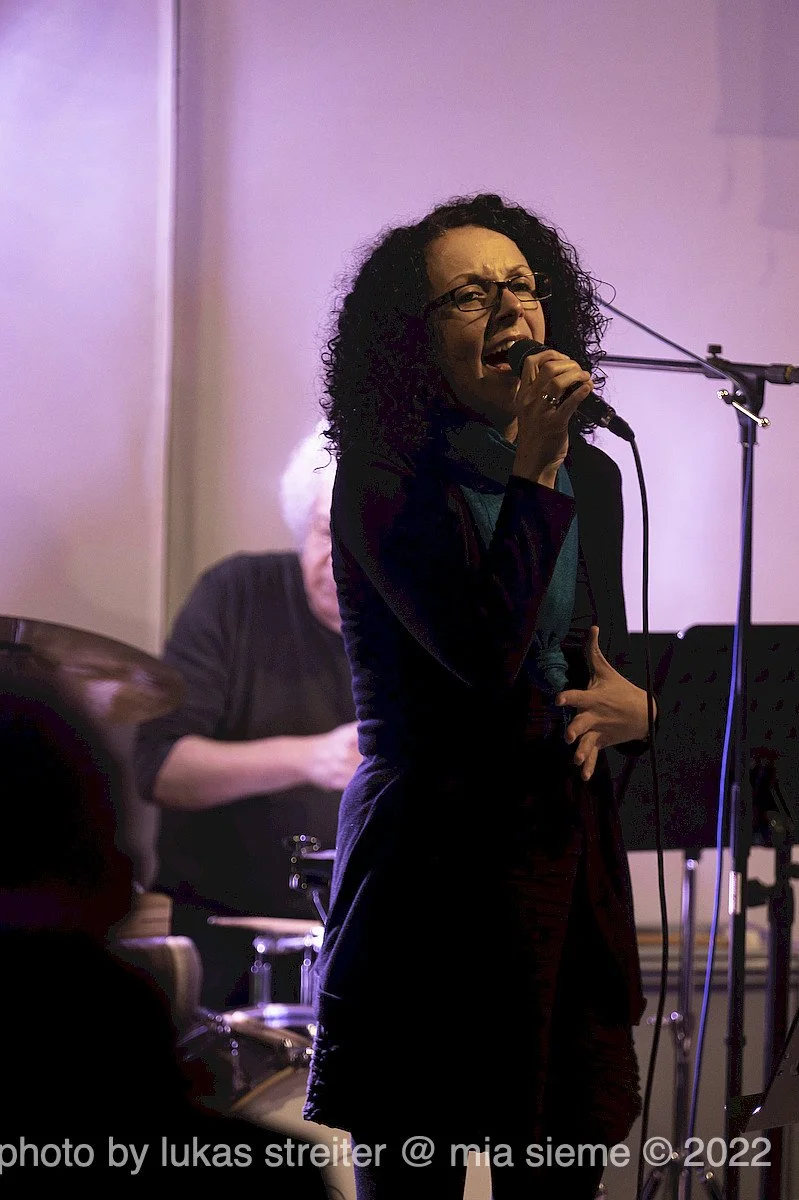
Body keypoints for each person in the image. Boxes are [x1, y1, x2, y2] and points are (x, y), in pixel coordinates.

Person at [303, 193, 655, 1199]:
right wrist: (533, 466)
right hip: (430, 872)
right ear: (414, 343)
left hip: (560, 859)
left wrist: (642, 714)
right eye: (469, 294)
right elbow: (481, 652)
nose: (507, 309)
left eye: (520, 286)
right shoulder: (382, 479)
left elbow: (598, 663)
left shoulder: (591, 479)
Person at [133, 425, 358, 1011]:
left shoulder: (431, 637)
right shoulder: (237, 594)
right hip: (219, 941)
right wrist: (314, 758)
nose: (336, 560)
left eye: (361, 541)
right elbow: (159, 768)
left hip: (366, 948)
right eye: (324, 531)